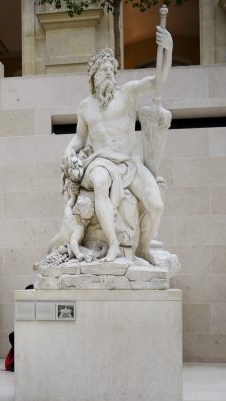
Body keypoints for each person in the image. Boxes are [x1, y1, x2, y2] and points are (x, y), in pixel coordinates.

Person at [64, 27, 172, 264]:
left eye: (113, 70)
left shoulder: (128, 94)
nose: (110, 74)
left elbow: (157, 80)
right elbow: (80, 138)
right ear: (94, 75)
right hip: (101, 160)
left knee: (156, 205)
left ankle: (143, 248)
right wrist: (69, 150)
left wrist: (168, 49)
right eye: (105, 70)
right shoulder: (85, 107)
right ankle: (113, 243)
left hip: (130, 162)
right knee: (101, 182)